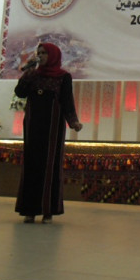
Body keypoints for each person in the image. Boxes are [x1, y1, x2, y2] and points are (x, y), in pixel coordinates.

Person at [14, 43, 83, 224]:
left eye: (44, 53)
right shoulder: (33, 75)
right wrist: (27, 73)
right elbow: (20, 93)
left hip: (53, 128)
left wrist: (73, 121)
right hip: (33, 126)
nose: (41, 55)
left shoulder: (63, 77)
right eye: (39, 53)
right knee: (32, 165)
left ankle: (48, 211)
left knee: (50, 166)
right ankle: (29, 210)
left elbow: (67, 101)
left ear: (53, 55)